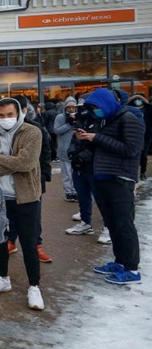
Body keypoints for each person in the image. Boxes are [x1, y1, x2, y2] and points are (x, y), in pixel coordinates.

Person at [0, 98, 45, 311]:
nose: (5, 119)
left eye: (10, 114)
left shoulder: (32, 132)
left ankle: (34, 286)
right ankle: (2, 277)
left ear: (18, 113)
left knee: (29, 242)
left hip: (26, 197)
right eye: (1, 115)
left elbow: (27, 163)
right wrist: (11, 162)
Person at [81, 88, 144, 285]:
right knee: (113, 223)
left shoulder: (129, 119)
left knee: (124, 224)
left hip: (120, 179)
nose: (95, 111)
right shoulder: (107, 120)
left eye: (97, 107)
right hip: (103, 178)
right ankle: (120, 262)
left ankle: (132, 269)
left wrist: (96, 138)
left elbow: (131, 149)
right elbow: (105, 147)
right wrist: (87, 138)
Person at [5, 96, 52, 264]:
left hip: (31, 180)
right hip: (7, 180)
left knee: (33, 216)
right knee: (9, 213)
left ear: (23, 111)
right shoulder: (0, 130)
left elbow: (46, 152)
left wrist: (44, 176)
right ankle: (11, 241)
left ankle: (36, 246)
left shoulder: (35, 128)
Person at [67, 95, 104, 242]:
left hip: (95, 166)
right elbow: (75, 139)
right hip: (79, 166)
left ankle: (107, 227)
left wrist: (84, 155)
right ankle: (85, 222)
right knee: (82, 196)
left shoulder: (102, 122)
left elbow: (99, 143)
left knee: (101, 198)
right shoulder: (82, 121)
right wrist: (73, 154)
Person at [54, 97, 80, 203]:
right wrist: (69, 124)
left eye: (73, 107)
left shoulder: (80, 117)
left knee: (76, 173)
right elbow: (56, 130)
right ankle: (68, 192)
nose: (71, 110)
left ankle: (75, 191)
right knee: (67, 173)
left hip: (76, 149)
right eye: (68, 107)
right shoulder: (60, 117)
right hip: (64, 149)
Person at [128, 94, 152, 180]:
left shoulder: (148, 109)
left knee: (143, 155)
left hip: (146, 136)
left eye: (140, 99)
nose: (138, 101)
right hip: (133, 135)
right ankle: (134, 172)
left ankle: (142, 172)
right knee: (135, 154)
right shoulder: (129, 108)